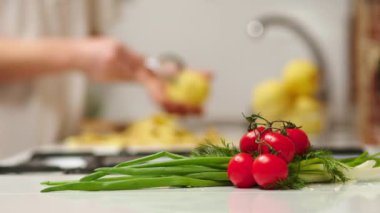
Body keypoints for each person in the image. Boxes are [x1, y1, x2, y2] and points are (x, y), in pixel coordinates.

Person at [0, 1, 201, 158]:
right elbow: (83, 50)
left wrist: (149, 73)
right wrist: (79, 55)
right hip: (8, 149)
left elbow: (84, 38)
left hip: (56, 149)